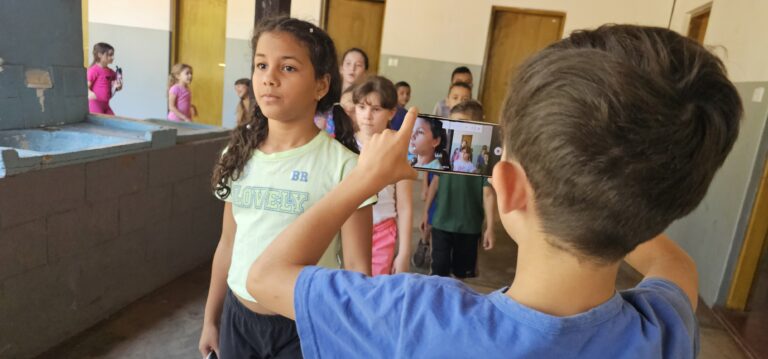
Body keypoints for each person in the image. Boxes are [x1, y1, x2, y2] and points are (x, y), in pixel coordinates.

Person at [245, 24, 742, 358]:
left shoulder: (408, 315)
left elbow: (266, 277)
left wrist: (363, 180)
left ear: (506, 187)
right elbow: (676, 266)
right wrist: (619, 201)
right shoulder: (663, 329)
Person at [199, 17, 375, 359]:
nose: (269, 77)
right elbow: (228, 243)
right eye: (261, 65)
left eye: (288, 67)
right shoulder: (237, 156)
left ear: (321, 86)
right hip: (238, 320)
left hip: (307, 324)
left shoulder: (345, 167)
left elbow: (357, 267)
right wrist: (211, 318)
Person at [423, 102, 495, 278]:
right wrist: (426, 213)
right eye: (453, 123)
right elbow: (435, 182)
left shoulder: (482, 162)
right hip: (441, 222)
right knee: (438, 271)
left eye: (462, 123)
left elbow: (488, 193)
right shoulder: (445, 154)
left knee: (461, 275)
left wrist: (490, 227)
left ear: (479, 126)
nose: (457, 128)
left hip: (469, 226)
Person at [353, 76, 413, 275]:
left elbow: (404, 204)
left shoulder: (398, 149)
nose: (367, 116)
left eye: (376, 109)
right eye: (361, 107)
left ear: (392, 112)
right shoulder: (344, 144)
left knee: (374, 293)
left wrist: (404, 252)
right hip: (349, 228)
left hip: (382, 230)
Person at [87, 42, 122, 115]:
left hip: (106, 105)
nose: (113, 57)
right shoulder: (93, 70)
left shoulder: (111, 72)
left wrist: (118, 87)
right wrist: (90, 93)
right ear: (100, 55)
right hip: (95, 104)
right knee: (98, 125)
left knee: (113, 122)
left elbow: (118, 87)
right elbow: (84, 87)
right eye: (110, 55)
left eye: (113, 55)